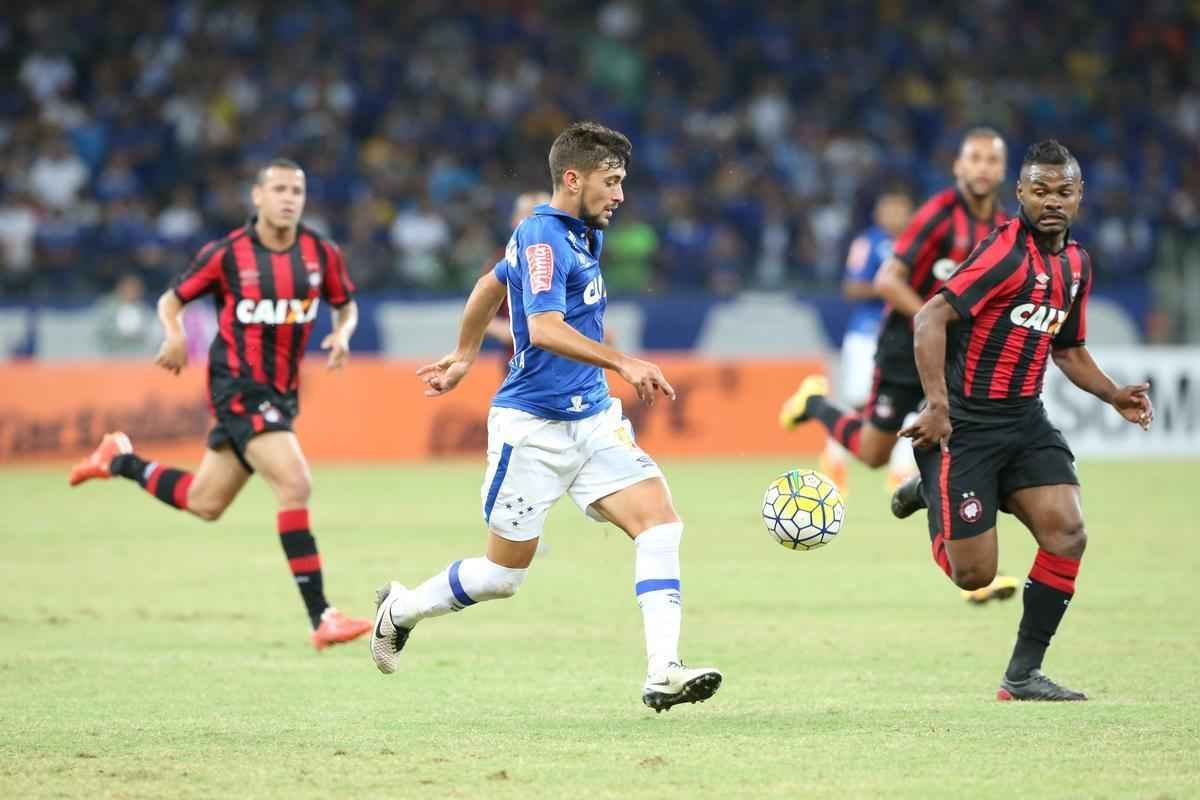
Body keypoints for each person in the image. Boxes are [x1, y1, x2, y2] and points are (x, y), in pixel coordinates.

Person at [370, 122, 722, 712]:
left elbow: (489, 285)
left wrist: (462, 353)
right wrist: (623, 361)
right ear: (572, 178)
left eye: (622, 182)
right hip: (532, 429)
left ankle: (663, 670)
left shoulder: (584, 233)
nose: (620, 194)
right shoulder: (541, 237)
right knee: (503, 577)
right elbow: (543, 329)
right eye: (611, 182)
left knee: (661, 526)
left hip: (592, 422)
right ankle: (400, 609)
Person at [68, 158, 373, 651]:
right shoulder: (227, 254)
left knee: (205, 502)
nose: (288, 197)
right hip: (237, 385)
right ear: (257, 196)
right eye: (278, 188)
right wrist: (172, 336)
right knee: (294, 483)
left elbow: (346, 302)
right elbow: (171, 300)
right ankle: (323, 616)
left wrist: (342, 332)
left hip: (280, 393)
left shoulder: (321, 253)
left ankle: (117, 459)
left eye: (297, 189)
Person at [891, 140, 1153, 700]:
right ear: (1021, 194)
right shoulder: (1003, 255)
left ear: (1079, 196)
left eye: (1063, 191)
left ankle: (1022, 675)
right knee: (975, 576)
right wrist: (937, 408)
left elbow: (1069, 349)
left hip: (1025, 420)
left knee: (1068, 532)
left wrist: (1112, 396)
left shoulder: (1076, 264)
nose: (1051, 201)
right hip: (966, 424)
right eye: (1040, 191)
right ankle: (931, 490)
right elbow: (930, 319)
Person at [779, 128, 1017, 604]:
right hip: (902, 347)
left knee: (953, 445)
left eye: (992, 160)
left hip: (952, 357)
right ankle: (817, 404)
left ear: (1002, 169)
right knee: (872, 453)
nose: (984, 167)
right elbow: (888, 280)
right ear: (959, 166)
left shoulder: (1003, 229)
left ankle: (970, 572)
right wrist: (932, 322)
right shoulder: (938, 216)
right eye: (975, 158)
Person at [811, 186, 914, 493]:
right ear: (879, 213)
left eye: (901, 209)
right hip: (867, 334)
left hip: (906, 336)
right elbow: (852, 288)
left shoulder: (919, 244)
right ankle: (834, 458)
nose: (895, 215)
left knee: (907, 403)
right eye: (890, 209)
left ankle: (902, 472)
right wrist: (892, 289)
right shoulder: (868, 242)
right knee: (859, 402)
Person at [483, 191, 551, 350]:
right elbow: (480, 316)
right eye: (527, 215)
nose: (534, 222)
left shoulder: (569, 258)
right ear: (514, 221)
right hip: (518, 363)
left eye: (541, 216)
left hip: (561, 362)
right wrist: (511, 331)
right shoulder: (501, 262)